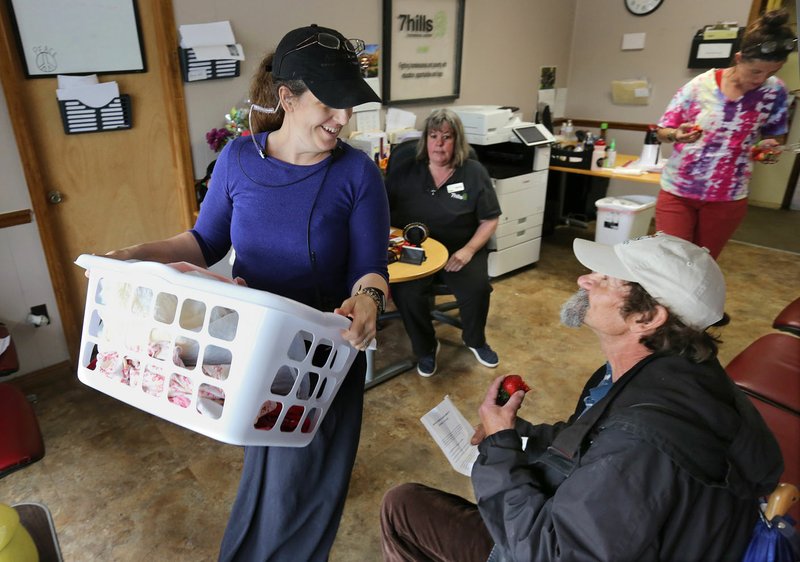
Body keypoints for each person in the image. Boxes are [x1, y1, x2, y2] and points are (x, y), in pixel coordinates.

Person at [104, 24, 389, 561]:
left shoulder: (356, 174)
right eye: (332, 104)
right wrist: (136, 254)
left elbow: (370, 267)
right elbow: (203, 240)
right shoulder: (238, 159)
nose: (344, 119)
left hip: (322, 357)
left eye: (351, 106)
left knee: (306, 485)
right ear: (287, 97)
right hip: (257, 351)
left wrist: (370, 299)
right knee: (268, 467)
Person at [380, 233, 783, 561]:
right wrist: (521, 436)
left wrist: (502, 449)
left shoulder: (639, 443)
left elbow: (550, 553)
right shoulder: (677, 371)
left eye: (606, 278)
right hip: (621, 529)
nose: (584, 279)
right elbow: (594, 438)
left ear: (647, 317)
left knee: (401, 507)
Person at [654, 9, 793, 261]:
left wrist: (768, 148)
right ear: (739, 58)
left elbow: (774, 137)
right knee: (669, 262)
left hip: (728, 197)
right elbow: (661, 132)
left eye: (771, 72)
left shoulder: (776, 92)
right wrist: (677, 134)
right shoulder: (699, 86)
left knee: (701, 264)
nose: (762, 80)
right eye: (755, 72)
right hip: (678, 191)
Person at [386, 108, 501, 377]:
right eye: (434, 136)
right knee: (407, 294)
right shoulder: (405, 171)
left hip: (460, 249)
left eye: (446, 137)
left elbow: (490, 219)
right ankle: (426, 348)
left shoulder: (473, 172)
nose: (439, 143)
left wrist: (469, 250)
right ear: (425, 139)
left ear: (457, 141)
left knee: (477, 290)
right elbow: (379, 209)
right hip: (416, 250)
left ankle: (475, 341)